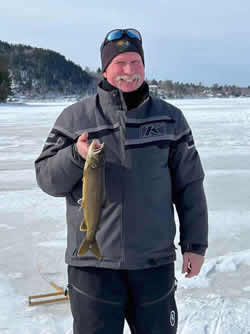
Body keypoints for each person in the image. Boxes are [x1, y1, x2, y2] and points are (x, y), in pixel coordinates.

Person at [35, 28, 208, 334]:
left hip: (153, 264)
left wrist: (194, 244)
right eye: (120, 64)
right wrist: (76, 154)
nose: (129, 71)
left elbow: (189, 186)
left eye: (135, 62)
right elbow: (47, 179)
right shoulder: (74, 119)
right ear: (105, 69)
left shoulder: (170, 120)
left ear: (144, 66)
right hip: (92, 267)